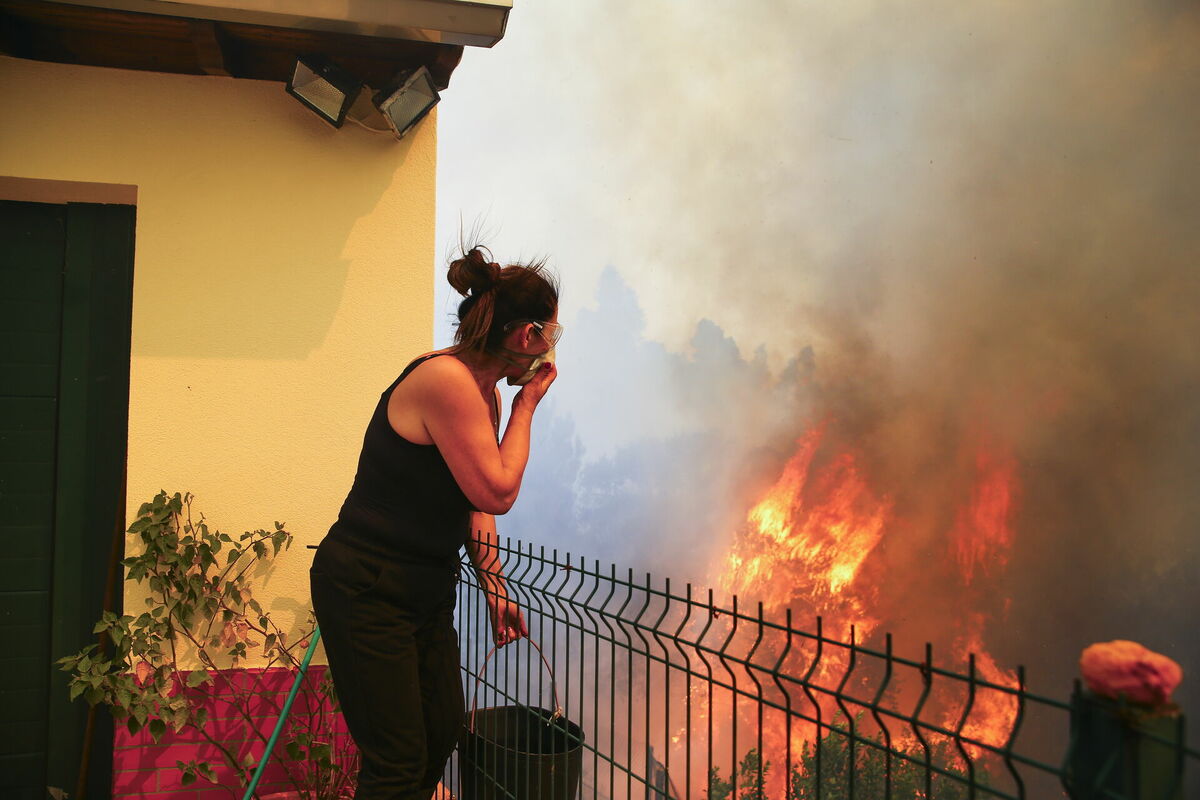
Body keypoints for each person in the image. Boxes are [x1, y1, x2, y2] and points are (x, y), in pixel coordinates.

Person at [309, 245, 561, 800]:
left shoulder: (482, 391)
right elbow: (497, 491)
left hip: (422, 589)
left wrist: (495, 587)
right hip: (368, 587)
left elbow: (471, 501)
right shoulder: (447, 380)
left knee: (442, 728)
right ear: (526, 336)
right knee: (396, 763)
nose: (550, 351)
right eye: (553, 336)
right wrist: (527, 410)